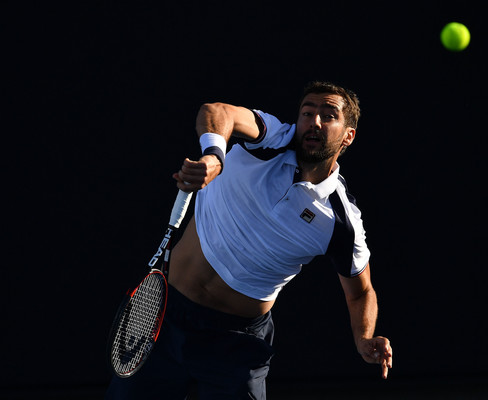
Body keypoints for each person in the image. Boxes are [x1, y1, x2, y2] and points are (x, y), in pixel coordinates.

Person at [106, 81, 392, 399]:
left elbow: (360, 291)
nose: (314, 122)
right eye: (307, 113)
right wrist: (214, 155)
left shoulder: (340, 221)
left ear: (348, 135)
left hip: (236, 345)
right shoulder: (271, 139)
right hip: (165, 317)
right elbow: (217, 112)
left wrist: (364, 337)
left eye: (328, 115)